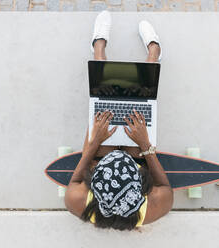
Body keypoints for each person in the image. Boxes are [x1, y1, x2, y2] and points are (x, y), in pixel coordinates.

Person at [64, 11, 173, 231]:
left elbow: (75, 181)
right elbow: (163, 184)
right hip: (137, 159)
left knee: (103, 102)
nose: (119, 153)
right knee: (142, 100)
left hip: (106, 160)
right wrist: (144, 144)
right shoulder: (155, 208)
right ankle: (154, 52)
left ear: (94, 189)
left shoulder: (76, 202)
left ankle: (99, 48)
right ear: (139, 188)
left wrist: (95, 144)